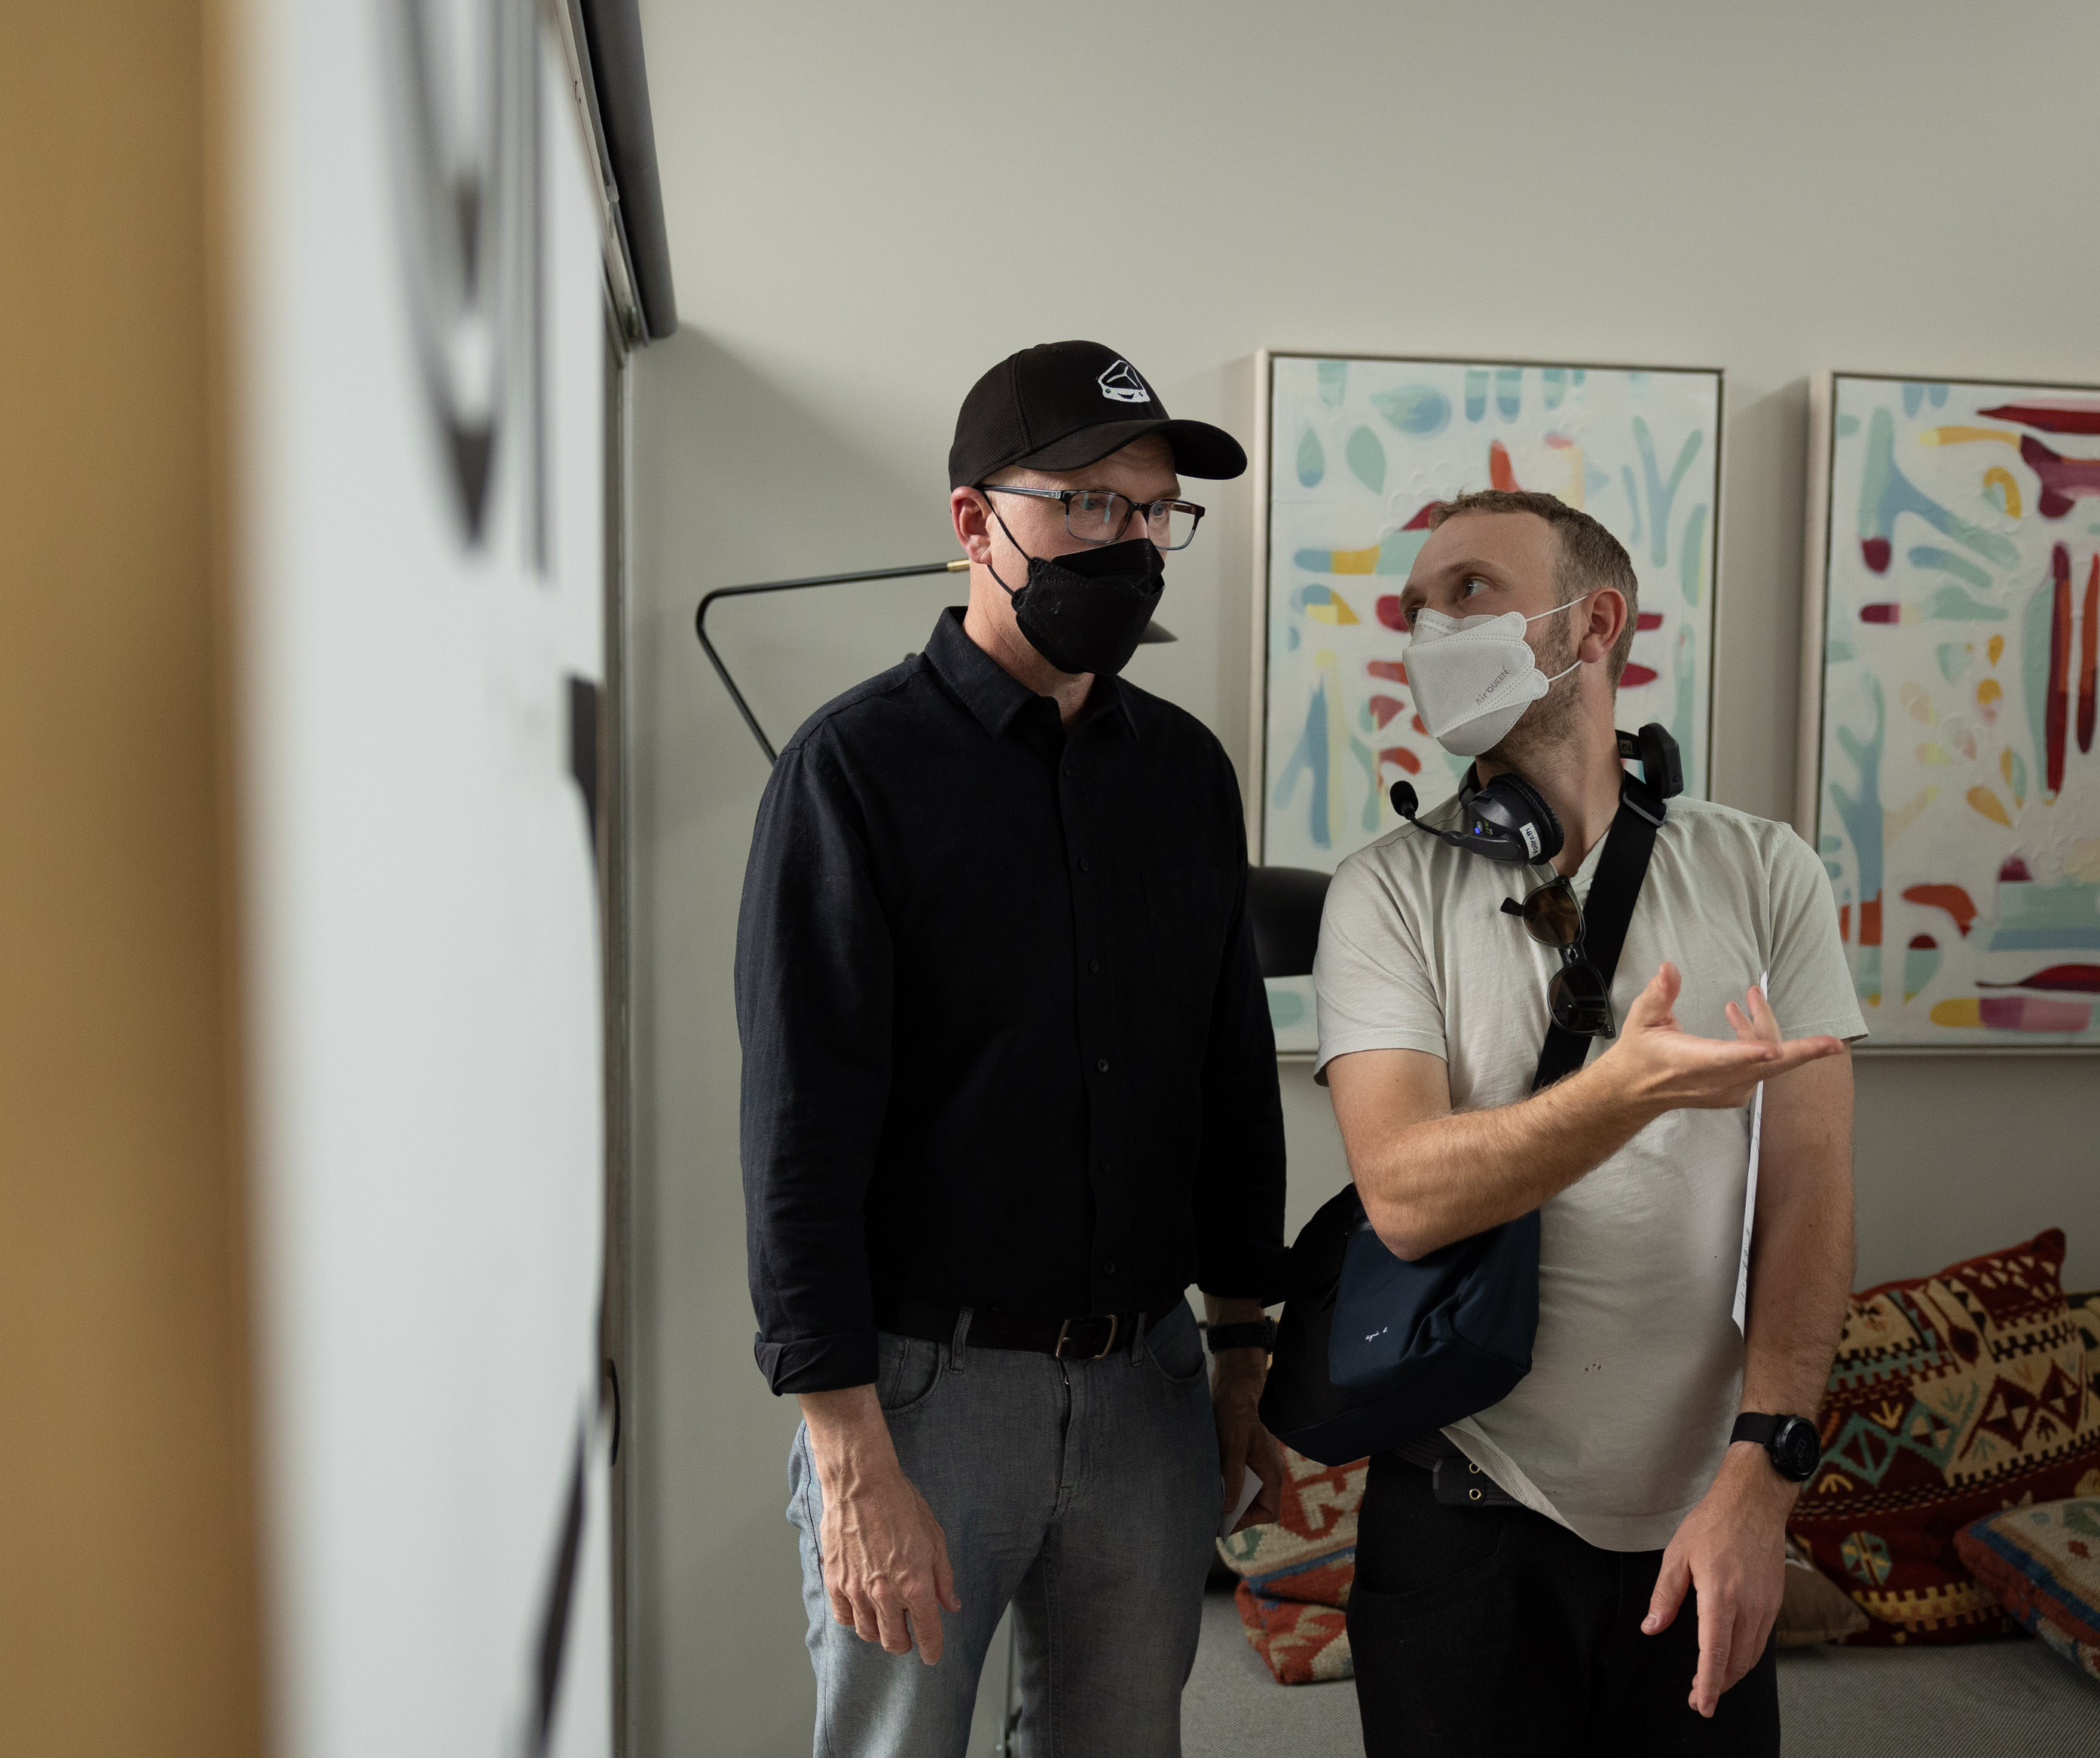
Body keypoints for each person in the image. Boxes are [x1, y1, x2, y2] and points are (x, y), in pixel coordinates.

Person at [735, 340, 1287, 1758]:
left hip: (1148, 1380)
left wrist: (1241, 1347)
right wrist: (847, 1450)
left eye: (1155, 511)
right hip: (924, 1392)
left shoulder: (1184, 773)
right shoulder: (852, 770)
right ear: (975, 521)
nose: (1132, 542)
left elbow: (1230, 1074)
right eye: (1089, 504)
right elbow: (799, 1136)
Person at [1313, 488, 1864, 1754]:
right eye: (1415, 608)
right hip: (1464, 1513)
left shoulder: (1767, 872)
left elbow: (1810, 1203)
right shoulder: (1384, 892)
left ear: (1595, 623)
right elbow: (1404, 1192)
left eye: (1469, 591)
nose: (1430, 628)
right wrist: (1621, 1094)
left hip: (1705, 1519)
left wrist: (1762, 1479)